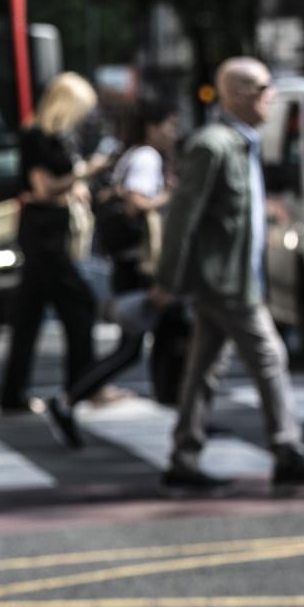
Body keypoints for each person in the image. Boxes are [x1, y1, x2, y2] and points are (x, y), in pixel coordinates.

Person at [150, 57, 304, 496]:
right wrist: (168, 281)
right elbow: (183, 218)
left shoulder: (243, 143)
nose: (270, 96)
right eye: (262, 89)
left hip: (237, 280)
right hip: (227, 283)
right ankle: (287, 450)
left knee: (203, 371)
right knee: (270, 358)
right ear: (236, 95)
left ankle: (184, 457)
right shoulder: (212, 146)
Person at [43, 98, 183, 448]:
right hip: (141, 266)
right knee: (146, 344)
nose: (173, 133)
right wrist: (172, 196)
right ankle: (67, 401)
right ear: (152, 128)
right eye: (168, 125)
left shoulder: (130, 156)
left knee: (146, 344)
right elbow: (137, 203)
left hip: (130, 263)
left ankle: (184, 415)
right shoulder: (147, 158)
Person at [0, 72, 100, 416]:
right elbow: (43, 188)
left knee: (29, 312)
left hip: (48, 228)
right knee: (79, 303)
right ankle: (82, 386)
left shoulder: (59, 136)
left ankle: (14, 392)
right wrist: (83, 174)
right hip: (43, 230)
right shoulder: (37, 135)